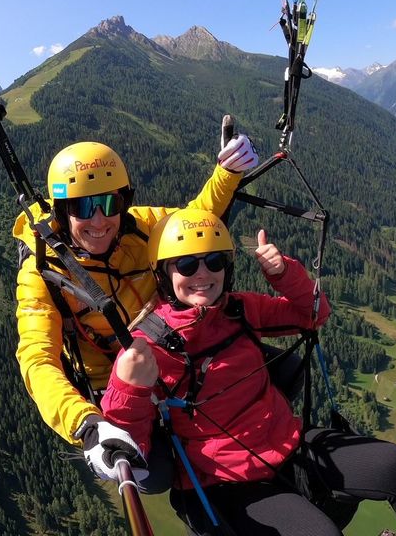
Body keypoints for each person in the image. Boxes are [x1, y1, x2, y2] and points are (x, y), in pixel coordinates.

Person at [100, 208, 396, 536]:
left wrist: (284, 274)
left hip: (289, 442)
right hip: (226, 481)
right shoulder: (147, 347)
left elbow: (312, 315)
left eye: (214, 261)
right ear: (164, 274)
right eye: (186, 265)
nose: (202, 273)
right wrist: (128, 386)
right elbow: (129, 445)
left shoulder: (240, 309)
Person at [13, 135, 257, 483]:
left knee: (275, 376)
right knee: (154, 475)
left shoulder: (140, 227)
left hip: (166, 359)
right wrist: (86, 423)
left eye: (110, 205)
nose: (99, 221)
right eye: (83, 207)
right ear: (62, 211)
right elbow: (37, 358)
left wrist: (226, 174)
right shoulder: (43, 272)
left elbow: (194, 222)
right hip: (108, 387)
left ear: (125, 203)